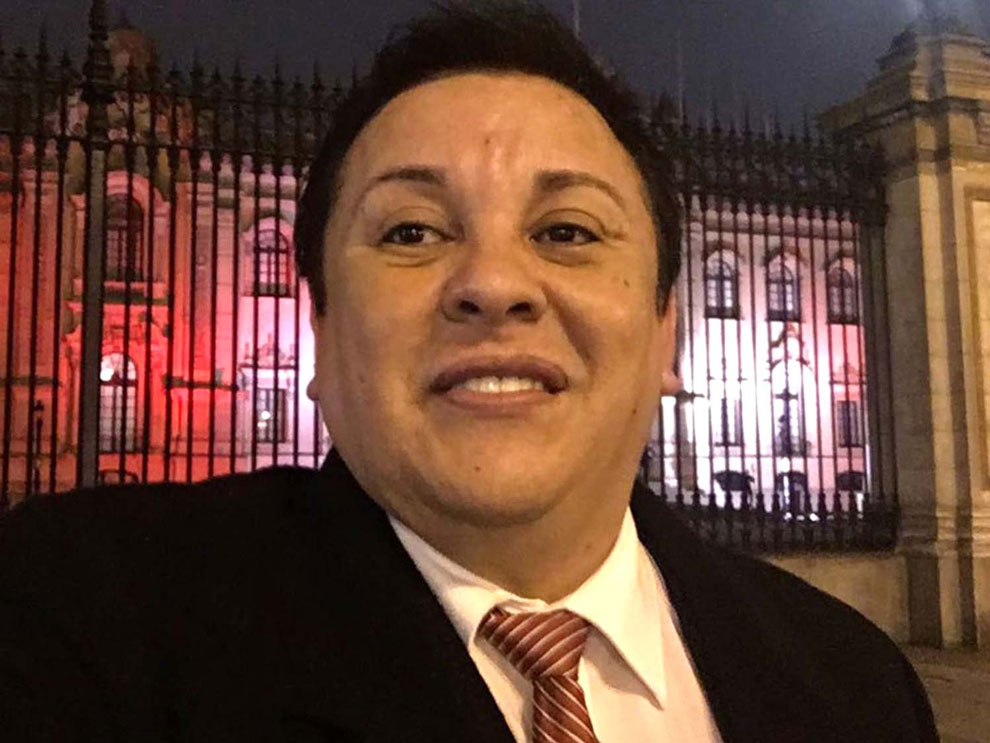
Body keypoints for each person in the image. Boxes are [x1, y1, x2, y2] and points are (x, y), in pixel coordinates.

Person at [0, 2, 937, 742]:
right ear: (320, 330)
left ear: (668, 335)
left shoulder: (855, 687)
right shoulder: (78, 628)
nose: (494, 285)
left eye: (567, 230)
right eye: (412, 230)